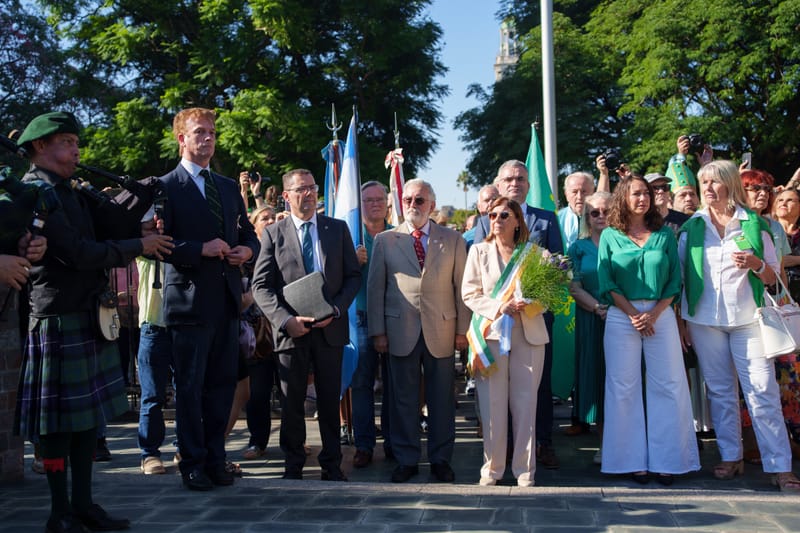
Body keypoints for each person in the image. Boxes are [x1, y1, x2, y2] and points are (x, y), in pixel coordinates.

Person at [14, 111, 172, 532]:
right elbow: (81, 252)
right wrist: (140, 243)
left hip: (86, 313)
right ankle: (58, 510)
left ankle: (83, 505)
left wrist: (138, 196)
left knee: (87, 424)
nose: (76, 149)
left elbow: (106, 229)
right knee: (56, 430)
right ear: (39, 147)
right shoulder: (36, 194)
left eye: (75, 141)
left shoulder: (69, 191)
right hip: (57, 316)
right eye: (66, 141)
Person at [678, 160, 800, 491]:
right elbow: (681, 279)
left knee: (762, 390)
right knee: (720, 392)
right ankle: (731, 457)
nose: (706, 188)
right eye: (703, 183)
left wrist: (757, 263)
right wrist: (681, 322)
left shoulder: (755, 226)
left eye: (713, 182)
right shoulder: (692, 227)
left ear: (730, 185)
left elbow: (775, 277)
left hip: (750, 320)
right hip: (704, 321)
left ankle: (781, 465)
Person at [158, 107, 259, 491]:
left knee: (221, 386)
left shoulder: (228, 187)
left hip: (227, 301)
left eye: (212, 133)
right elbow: (159, 246)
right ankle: (192, 462)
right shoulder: (166, 186)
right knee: (190, 387)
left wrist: (245, 253)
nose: (208, 139)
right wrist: (200, 248)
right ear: (181, 139)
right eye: (200, 132)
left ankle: (217, 458)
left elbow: (249, 235)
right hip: (189, 302)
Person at [252, 168, 360, 482]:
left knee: (329, 401)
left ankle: (331, 464)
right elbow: (261, 286)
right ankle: (294, 465)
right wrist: (285, 320)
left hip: (330, 330)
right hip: (292, 333)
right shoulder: (274, 233)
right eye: (300, 190)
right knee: (292, 403)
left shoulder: (336, 229)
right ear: (286, 196)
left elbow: (353, 276)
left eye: (312, 188)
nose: (309, 194)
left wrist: (337, 310)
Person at [597, 174, 699, 485]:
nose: (643, 198)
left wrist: (653, 313)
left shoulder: (665, 235)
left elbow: (674, 281)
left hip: (661, 314)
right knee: (622, 387)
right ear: (623, 199)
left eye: (647, 193)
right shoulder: (609, 236)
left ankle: (669, 461)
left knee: (668, 385)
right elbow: (606, 281)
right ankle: (629, 461)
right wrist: (632, 314)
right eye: (636, 193)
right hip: (620, 316)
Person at [368, 178, 469, 483]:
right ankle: (406, 459)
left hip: (442, 329)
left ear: (432, 205)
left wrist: (462, 331)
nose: (413, 205)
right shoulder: (385, 240)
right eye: (409, 199)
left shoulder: (452, 240)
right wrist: (379, 332)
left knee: (442, 400)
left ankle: (441, 459)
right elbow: (375, 289)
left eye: (420, 200)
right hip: (399, 332)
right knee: (402, 401)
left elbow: (461, 288)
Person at [472, 160, 563, 469]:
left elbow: (556, 276)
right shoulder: (482, 230)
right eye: (508, 178)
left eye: (521, 178)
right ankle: (497, 460)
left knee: (534, 393)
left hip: (531, 324)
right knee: (494, 399)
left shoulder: (545, 223)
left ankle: (536, 452)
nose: (515, 182)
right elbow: (475, 283)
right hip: (494, 327)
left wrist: (532, 302)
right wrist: (499, 306)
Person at [461, 196, 547, 486]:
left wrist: (529, 302)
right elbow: (470, 294)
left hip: (528, 334)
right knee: (492, 406)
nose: (497, 219)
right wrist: (500, 307)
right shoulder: (479, 251)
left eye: (504, 215)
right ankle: (492, 470)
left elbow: (548, 297)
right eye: (493, 215)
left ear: (517, 221)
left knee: (525, 406)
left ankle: (525, 471)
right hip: (492, 336)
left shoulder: (534, 254)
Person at [740, 169, 798, 462]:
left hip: (773, 305)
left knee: (785, 374)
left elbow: (781, 269)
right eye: (754, 188)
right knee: (750, 380)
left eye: (766, 188)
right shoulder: (734, 224)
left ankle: (790, 438)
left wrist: (785, 302)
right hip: (745, 309)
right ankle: (749, 442)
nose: (762, 193)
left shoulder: (774, 227)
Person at [565, 192, 611, 457]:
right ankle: (605, 444)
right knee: (598, 378)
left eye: (606, 211)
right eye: (595, 212)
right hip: (591, 319)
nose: (601, 216)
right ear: (586, 217)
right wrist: (597, 307)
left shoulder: (625, 242)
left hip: (624, 318)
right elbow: (573, 285)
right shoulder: (577, 247)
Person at [351, 181, 393, 468]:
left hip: (394, 319)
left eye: (379, 199)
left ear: (388, 204)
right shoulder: (350, 234)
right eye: (368, 200)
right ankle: (364, 445)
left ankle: (394, 442)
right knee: (361, 385)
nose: (374, 204)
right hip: (361, 318)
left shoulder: (398, 235)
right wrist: (351, 262)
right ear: (360, 203)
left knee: (395, 385)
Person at [240, 206, 278, 460]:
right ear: (253, 225)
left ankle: (294, 440)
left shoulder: (286, 247)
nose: (271, 221)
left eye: (274, 217)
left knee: (291, 391)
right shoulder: (246, 259)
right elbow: (240, 300)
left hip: (285, 330)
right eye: (264, 218)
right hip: (258, 335)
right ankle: (257, 441)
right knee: (258, 393)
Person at [558, 172, 602, 250]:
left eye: (584, 192)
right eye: (574, 192)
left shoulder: (602, 217)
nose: (579, 197)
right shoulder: (556, 219)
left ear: (593, 193)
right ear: (566, 194)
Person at [773, 187, 800, 299]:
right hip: (775, 294)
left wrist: (796, 260)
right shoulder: (766, 230)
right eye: (780, 200)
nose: (783, 203)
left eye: (790, 200)